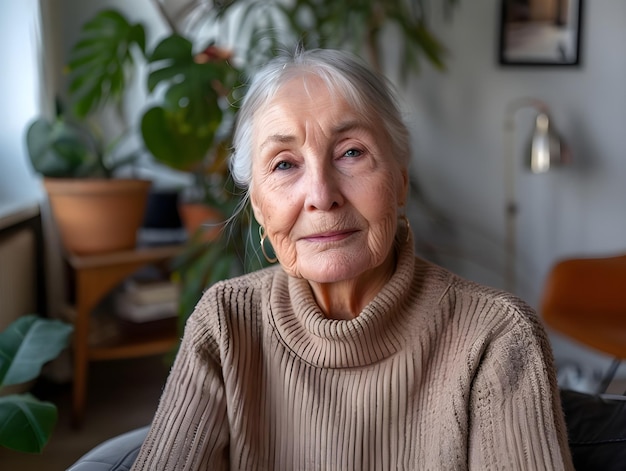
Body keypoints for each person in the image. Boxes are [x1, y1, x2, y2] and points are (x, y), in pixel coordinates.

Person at [131, 48, 573, 470]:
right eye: (284, 165)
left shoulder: (495, 336)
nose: (322, 196)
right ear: (259, 210)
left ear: (400, 182)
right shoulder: (225, 323)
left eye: (352, 153)